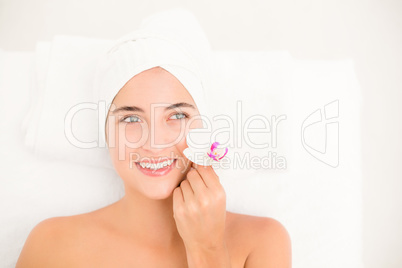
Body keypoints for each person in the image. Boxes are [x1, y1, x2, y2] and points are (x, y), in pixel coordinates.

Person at [16, 8, 291, 267]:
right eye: (131, 119)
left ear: (204, 128)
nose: (155, 142)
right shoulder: (51, 245)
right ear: (106, 132)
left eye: (177, 115)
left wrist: (207, 250)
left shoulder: (262, 242)